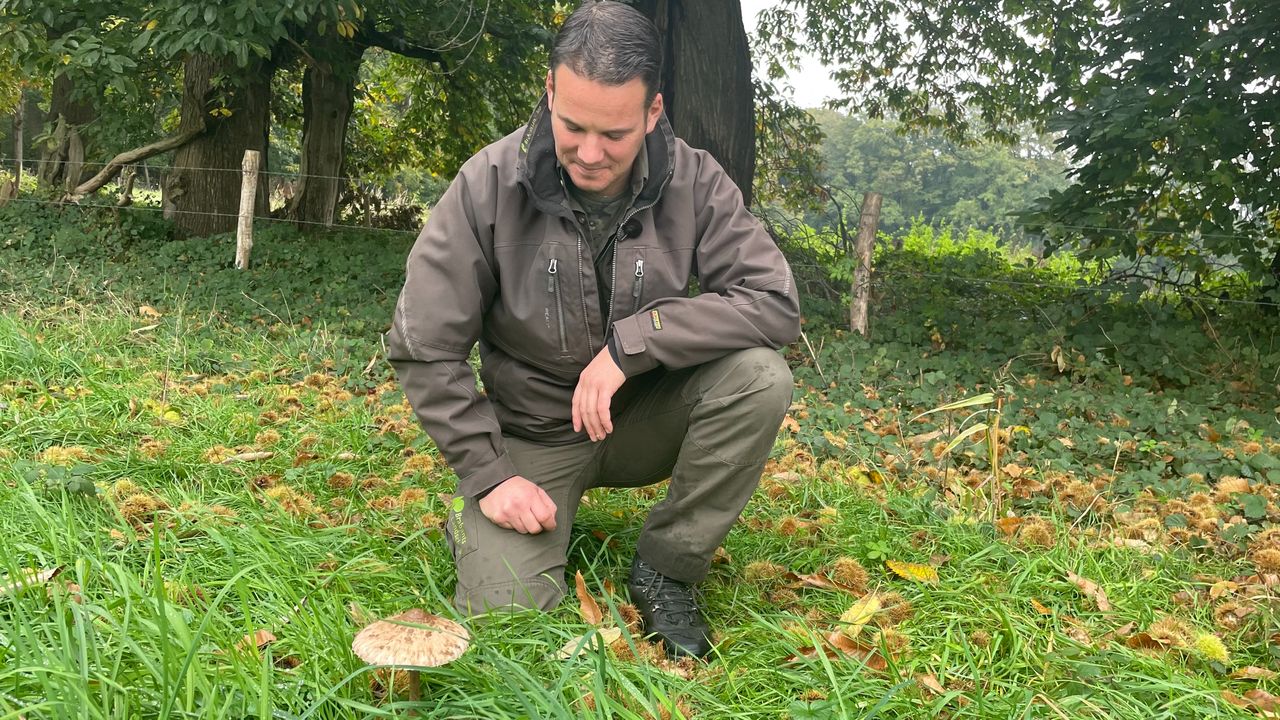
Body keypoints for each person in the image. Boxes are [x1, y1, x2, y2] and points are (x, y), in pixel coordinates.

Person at [386, 0, 800, 659]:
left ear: (652, 113)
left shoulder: (696, 181)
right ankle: (480, 522)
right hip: (535, 436)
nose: (588, 152)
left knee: (760, 379)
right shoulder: (486, 185)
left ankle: (666, 568)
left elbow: (773, 302)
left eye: (614, 134)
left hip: (643, 418)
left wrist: (635, 344)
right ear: (549, 90)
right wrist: (489, 476)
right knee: (507, 616)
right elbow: (422, 344)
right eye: (572, 125)